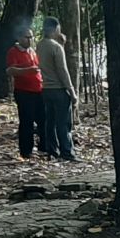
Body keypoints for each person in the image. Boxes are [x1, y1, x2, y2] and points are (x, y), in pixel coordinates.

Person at [37, 17, 76, 162]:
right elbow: (62, 70)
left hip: (46, 88)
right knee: (63, 123)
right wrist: (71, 91)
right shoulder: (56, 47)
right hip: (59, 89)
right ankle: (67, 152)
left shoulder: (40, 45)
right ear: (55, 29)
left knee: (50, 122)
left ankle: (52, 151)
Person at [5, 26, 47, 160]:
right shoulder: (13, 52)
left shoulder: (33, 51)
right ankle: (26, 151)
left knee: (43, 120)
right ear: (19, 38)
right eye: (26, 37)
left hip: (39, 90)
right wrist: (28, 70)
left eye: (31, 37)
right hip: (24, 92)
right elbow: (10, 70)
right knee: (26, 121)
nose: (30, 40)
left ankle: (43, 147)